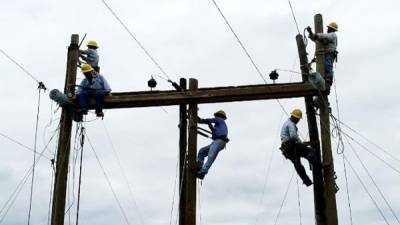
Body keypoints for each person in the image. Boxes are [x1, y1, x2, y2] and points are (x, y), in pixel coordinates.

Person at [280, 109, 316, 186]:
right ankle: (314, 162)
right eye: (297, 119)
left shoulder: (286, 123)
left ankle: (306, 181)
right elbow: (293, 136)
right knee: (311, 151)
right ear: (293, 117)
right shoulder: (290, 124)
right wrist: (301, 143)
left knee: (297, 165)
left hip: (287, 149)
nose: (298, 121)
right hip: (291, 146)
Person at [196, 110, 229, 180]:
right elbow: (214, 131)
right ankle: (199, 167)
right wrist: (209, 125)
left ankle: (203, 172)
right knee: (202, 151)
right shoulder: (219, 126)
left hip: (220, 141)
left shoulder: (219, 120)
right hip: (217, 141)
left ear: (219, 116)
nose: (215, 117)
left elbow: (210, 120)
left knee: (211, 156)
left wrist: (200, 120)